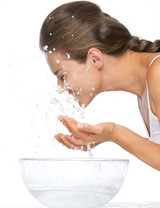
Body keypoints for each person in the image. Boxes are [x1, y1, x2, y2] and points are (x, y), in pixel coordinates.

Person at [39, 1, 160, 171]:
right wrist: (109, 135)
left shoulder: (158, 72)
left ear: (95, 58)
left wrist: (114, 133)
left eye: (62, 76)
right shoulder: (144, 93)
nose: (60, 87)